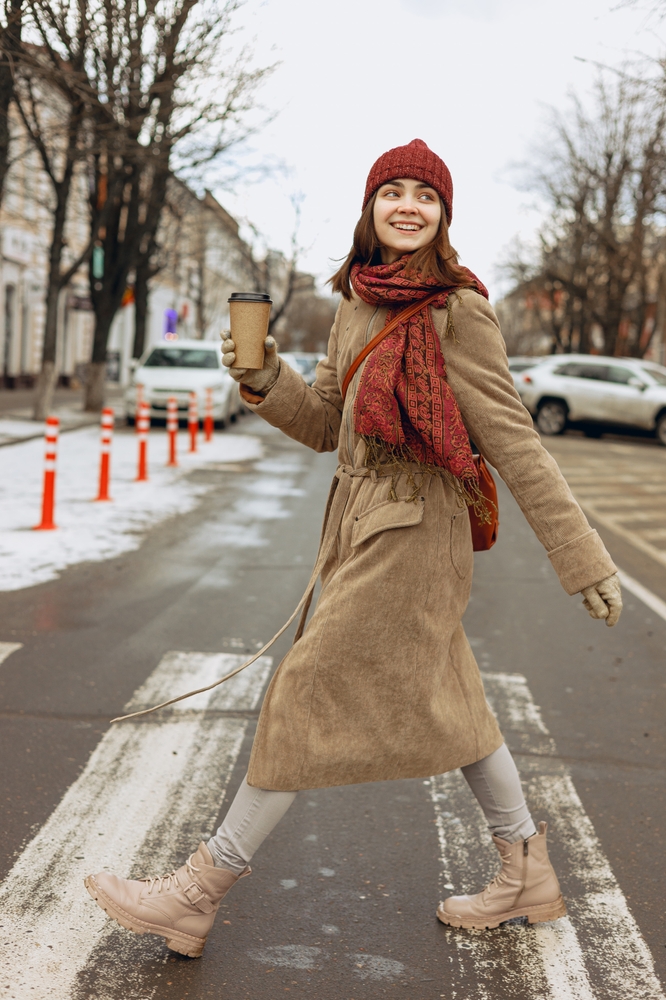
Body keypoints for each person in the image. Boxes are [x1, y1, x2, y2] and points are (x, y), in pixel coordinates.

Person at [85, 138, 622, 958]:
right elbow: (324, 423)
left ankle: (196, 892)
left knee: (305, 692)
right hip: (360, 524)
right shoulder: (355, 304)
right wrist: (262, 375)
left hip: (416, 530)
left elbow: (514, 439)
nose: (408, 205)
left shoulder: (457, 310)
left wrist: (582, 557)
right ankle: (526, 874)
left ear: (443, 215)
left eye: (426, 196)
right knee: (463, 708)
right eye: (392, 191)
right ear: (371, 206)